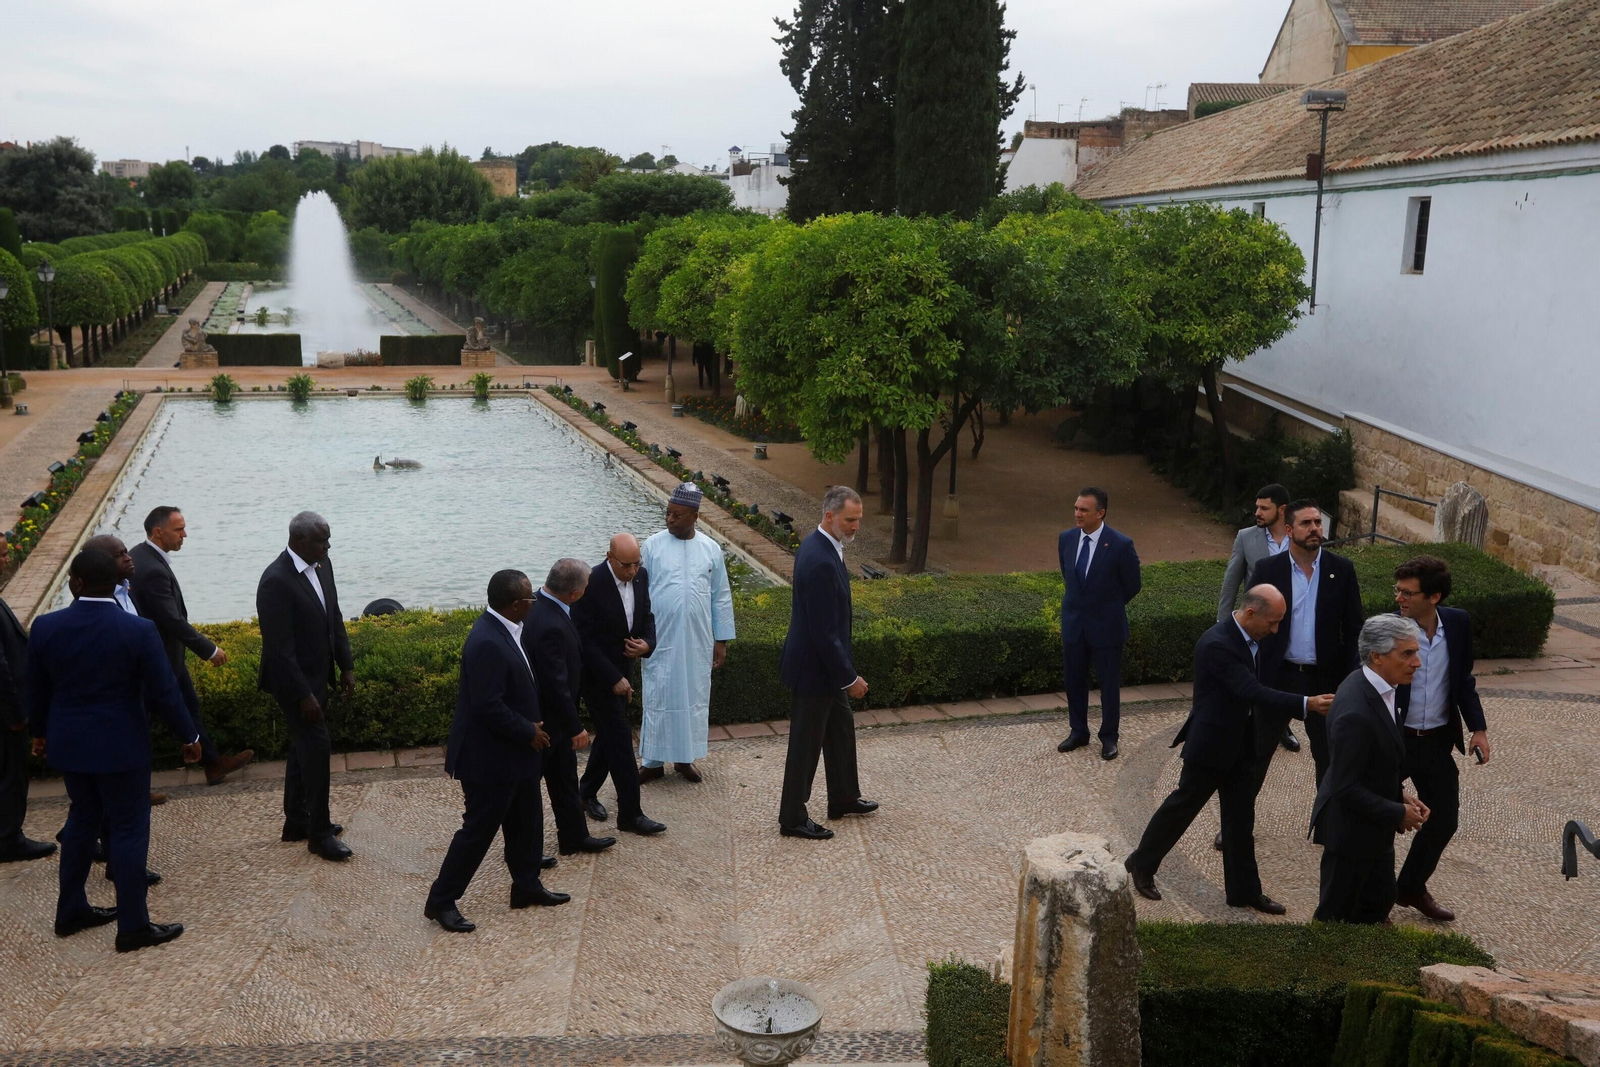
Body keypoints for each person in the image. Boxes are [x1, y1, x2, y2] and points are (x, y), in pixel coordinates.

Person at [26, 548, 202, 952]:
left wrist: (39, 733)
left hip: (70, 745)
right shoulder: (138, 630)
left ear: (76, 584)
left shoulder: (45, 627)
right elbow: (164, 692)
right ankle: (134, 926)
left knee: (81, 822)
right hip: (122, 747)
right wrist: (188, 737)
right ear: (118, 585)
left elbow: (36, 689)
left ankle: (70, 911)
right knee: (127, 829)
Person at [1124, 586, 1333, 912]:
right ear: (1251, 613)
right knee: (1181, 809)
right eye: (1273, 622)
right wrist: (1307, 704)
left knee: (1239, 821)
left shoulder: (1252, 639)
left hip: (1242, 744)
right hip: (1211, 746)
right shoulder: (1217, 644)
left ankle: (1244, 892)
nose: (1276, 630)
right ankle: (1142, 863)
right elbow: (1251, 690)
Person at [424, 570, 569, 932]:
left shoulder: (508, 629)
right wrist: (528, 731)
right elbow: (487, 706)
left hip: (516, 754)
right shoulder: (486, 641)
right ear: (515, 604)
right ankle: (441, 900)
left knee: (526, 820)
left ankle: (526, 886)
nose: (534, 603)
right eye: (529, 599)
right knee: (477, 832)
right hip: (489, 759)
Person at [1310, 615, 1431, 924]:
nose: (1417, 662)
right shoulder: (1356, 711)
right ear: (1377, 657)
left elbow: (1370, 765)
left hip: (1370, 834)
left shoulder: (1378, 686)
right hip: (1351, 839)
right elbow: (1345, 787)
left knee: (1377, 906)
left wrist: (1400, 794)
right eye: (1407, 654)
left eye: (1416, 652)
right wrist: (1397, 813)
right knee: (1336, 924)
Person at [1391, 555, 1490, 923]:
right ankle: (1375, 899)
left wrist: (1477, 729)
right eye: (1398, 590)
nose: (1399, 598)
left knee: (1444, 819)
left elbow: (1463, 681)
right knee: (1380, 817)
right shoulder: (1388, 628)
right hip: (1395, 739)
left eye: (1408, 593)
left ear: (1433, 597)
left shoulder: (1458, 623)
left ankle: (1411, 887)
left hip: (1435, 741)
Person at [778, 486, 876, 841]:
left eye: (859, 520)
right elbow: (823, 633)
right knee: (805, 747)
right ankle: (791, 819)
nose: (856, 527)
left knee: (841, 731)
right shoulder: (820, 559)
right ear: (830, 516)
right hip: (815, 670)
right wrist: (849, 677)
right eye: (851, 520)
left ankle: (844, 797)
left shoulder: (819, 545)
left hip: (820, 668)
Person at [130, 506, 253, 786]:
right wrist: (209, 650)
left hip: (169, 655)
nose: (185, 534)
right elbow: (171, 620)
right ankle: (135, 787)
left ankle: (213, 763)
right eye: (179, 529)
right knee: (142, 724)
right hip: (156, 659)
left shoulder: (143, 555)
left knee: (189, 705)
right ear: (158, 532)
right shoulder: (151, 569)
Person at [256, 512, 354, 862]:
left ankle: (296, 821)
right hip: (292, 683)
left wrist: (346, 666)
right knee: (316, 750)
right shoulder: (275, 582)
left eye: (328, 539)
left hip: (317, 676)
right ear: (300, 542)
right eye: (322, 540)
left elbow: (335, 616)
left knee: (302, 750)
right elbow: (279, 650)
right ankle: (319, 834)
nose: (329, 545)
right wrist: (303, 695)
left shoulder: (322, 565)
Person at [1249, 498, 1363, 788]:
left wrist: (1348, 679)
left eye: (1317, 522)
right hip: (1277, 677)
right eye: (1306, 523)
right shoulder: (1267, 570)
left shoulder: (1343, 570)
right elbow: (1251, 625)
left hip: (1325, 680)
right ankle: (1236, 828)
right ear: (1289, 529)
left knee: (1328, 757)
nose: (1314, 529)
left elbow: (1354, 630)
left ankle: (1327, 829)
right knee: (1255, 755)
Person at [638, 483, 736, 783]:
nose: (670, 519)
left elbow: (720, 596)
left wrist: (720, 640)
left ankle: (684, 759)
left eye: (677, 515)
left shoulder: (710, 549)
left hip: (697, 641)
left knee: (693, 698)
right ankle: (652, 762)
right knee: (657, 695)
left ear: (694, 516)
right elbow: (639, 594)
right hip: (659, 639)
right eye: (668, 513)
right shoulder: (651, 546)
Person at [571, 533, 666, 836]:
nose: (633, 571)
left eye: (637, 564)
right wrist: (613, 678)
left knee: (611, 735)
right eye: (626, 565)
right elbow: (582, 639)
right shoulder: (590, 582)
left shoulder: (642, 576)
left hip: (624, 667)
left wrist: (647, 645)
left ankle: (584, 792)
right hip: (596, 675)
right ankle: (631, 815)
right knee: (622, 741)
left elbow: (647, 616)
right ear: (610, 557)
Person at [524, 558, 615, 857]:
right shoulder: (549, 622)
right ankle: (525, 851)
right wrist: (575, 726)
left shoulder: (539, 606)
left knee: (564, 781)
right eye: (586, 587)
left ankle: (574, 837)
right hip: (548, 723)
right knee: (526, 790)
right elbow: (555, 683)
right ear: (574, 593)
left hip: (553, 720)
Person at [1056, 487, 1142, 761]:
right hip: (1074, 625)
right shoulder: (1066, 539)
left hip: (1107, 627)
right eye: (1076, 508)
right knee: (1074, 681)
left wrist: (1107, 607)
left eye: (1083, 510)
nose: (1077, 514)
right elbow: (1070, 577)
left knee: (1108, 685)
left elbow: (1132, 585)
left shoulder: (1120, 544)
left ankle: (1109, 738)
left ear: (1100, 513)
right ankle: (1078, 731)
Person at [1217, 483, 1300, 755]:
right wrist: (1222, 629)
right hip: (1258, 627)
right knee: (1257, 677)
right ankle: (1252, 725)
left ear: (1282, 510)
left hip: (1295, 625)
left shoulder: (1298, 537)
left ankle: (1282, 725)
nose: (1258, 512)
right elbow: (1231, 584)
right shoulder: (1245, 537)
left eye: (1264, 507)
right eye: (1257, 507)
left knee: (1286, 676)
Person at [1, 533, 56, 863]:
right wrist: (17, 714)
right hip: (5, 716)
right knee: (10, 777)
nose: (7, 560)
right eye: (3, 555)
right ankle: (9, 839)